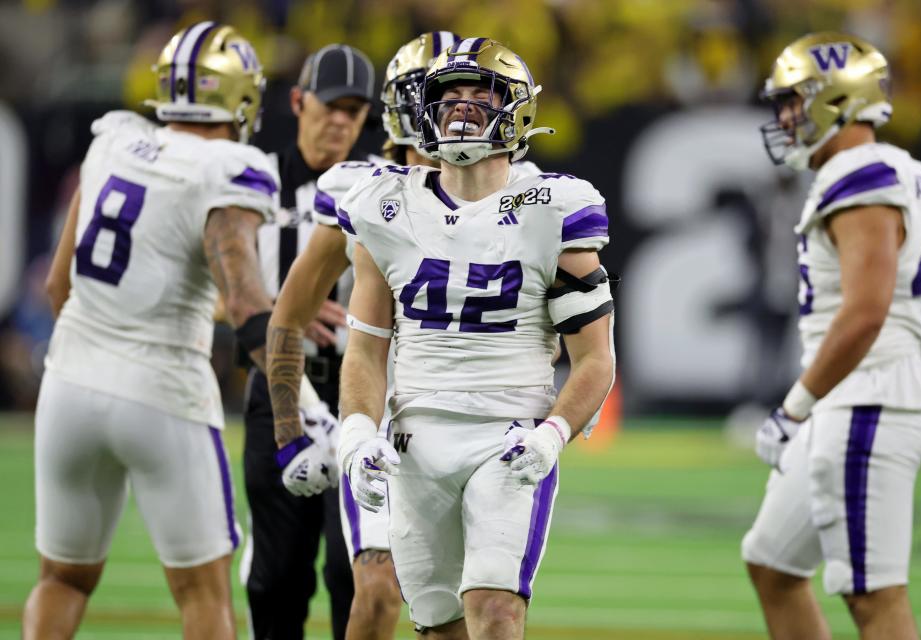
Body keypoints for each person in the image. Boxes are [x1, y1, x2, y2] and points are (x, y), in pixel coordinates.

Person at [277, 38, 615, 639]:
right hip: (414, 438)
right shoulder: (387, 207)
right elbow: (366, 347)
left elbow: (596, 360)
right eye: (448, 96)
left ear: (516, 110)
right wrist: (356, 431)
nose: (461, 108)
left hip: (508, 436)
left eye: (478, 95)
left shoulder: (553, 208)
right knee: (438, 627)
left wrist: (553, 436)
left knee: (496, 609)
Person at [23, 23, 278, 639]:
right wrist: (300, 411)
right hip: (164, 390)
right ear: (240, 96)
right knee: (203, 595)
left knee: (61, 579)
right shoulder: (228, 165)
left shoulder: (114, 141)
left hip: (69, 385)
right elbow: (246, 304)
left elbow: (59, 285)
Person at [742, 32, 921, 640]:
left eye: (794, 100)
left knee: (873, 596)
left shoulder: (862, 173)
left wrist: (795, 405)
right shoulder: (884, 169)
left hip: (869, 396)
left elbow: (866, 312)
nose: (784, 116)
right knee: (773, 563)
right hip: (854, 393)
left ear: (835, 99)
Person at [239, 43, 376, 640]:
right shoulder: (253, 176)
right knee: (276, 578)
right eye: (330, 106)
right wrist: (282, 311)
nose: (341, 121)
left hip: (359, 396)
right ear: (298, 102)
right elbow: (208, 285)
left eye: (354, 111)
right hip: (279, 391)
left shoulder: (377, 187)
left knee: (354, 572)